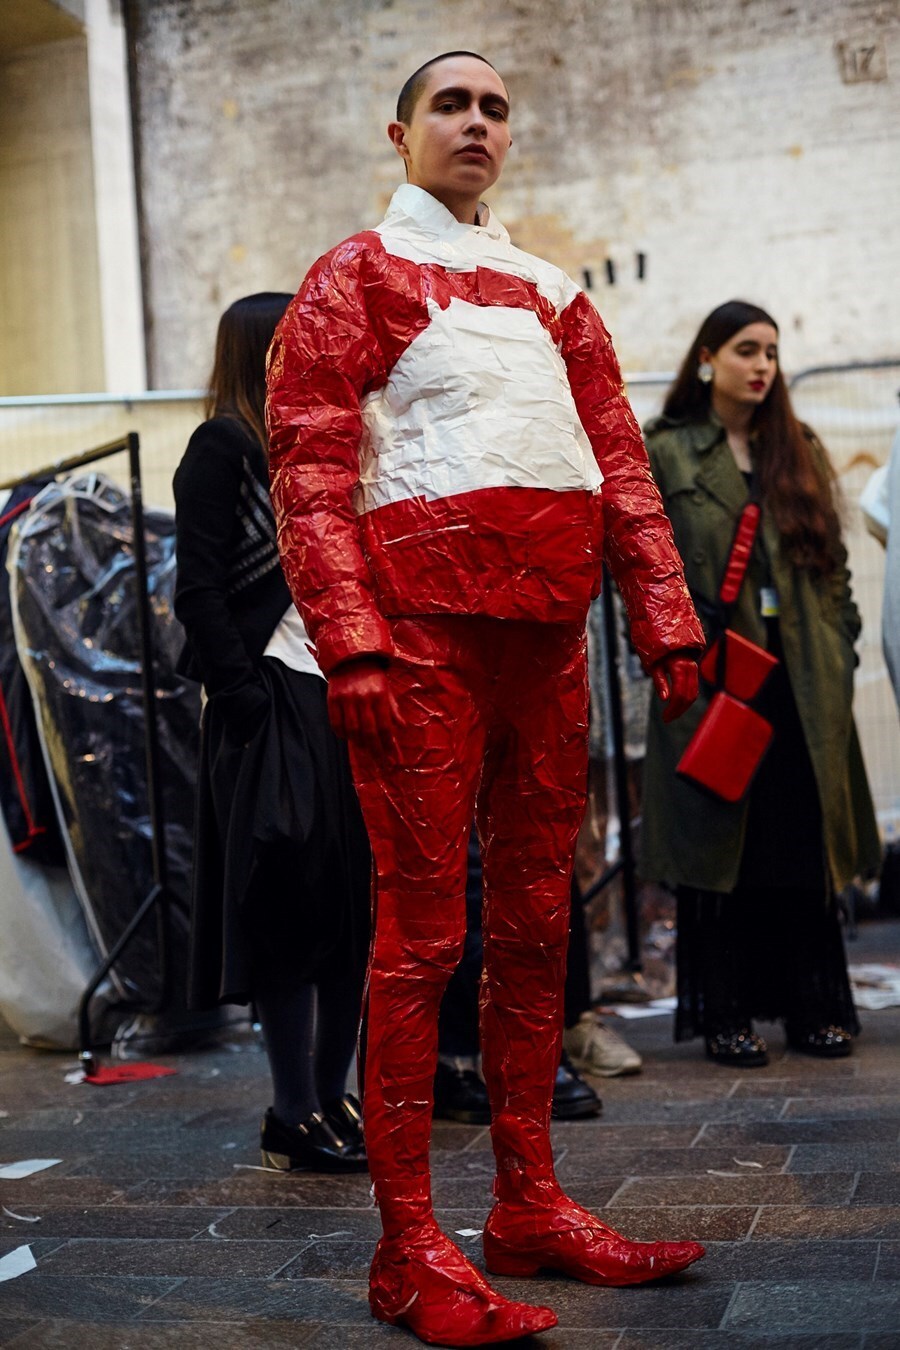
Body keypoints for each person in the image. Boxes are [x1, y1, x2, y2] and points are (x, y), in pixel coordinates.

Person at [266, 53, 706, 1347]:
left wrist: (666, 610)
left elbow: (617, 457)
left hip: (547, 641)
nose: (476, 122)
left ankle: (527, 1201)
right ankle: (408, 1247)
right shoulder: (356, 276)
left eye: (495, 107)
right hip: (423, 641)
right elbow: (309, 463)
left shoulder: (557, 293)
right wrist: (352, 639)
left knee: (533, 926)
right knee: (422, 937)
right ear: (399, 131)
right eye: (451, 105)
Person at [641, 300, 882, 1069]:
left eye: (772, 353)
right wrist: (672, 651)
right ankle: (727, 1014)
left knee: (799, 841)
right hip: (716, 680)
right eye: (747, 350)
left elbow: (833, 568)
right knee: (723, 848)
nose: (763, 366)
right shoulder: (666, 451)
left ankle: (813, 1008)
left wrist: (840, 646)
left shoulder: (797, 446)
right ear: (707, 358)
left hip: (804, 683)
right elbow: (640, 568)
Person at [173, 293, 371, 1174]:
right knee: (290, 901)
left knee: (349, 909)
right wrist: (246, 697)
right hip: (273, 696)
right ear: (263, 349)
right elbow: (197, 591)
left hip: (340, 692)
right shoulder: (223, 446)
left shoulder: (324, 447)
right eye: (299, 336)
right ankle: (293, 1109)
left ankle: (333, 1096)